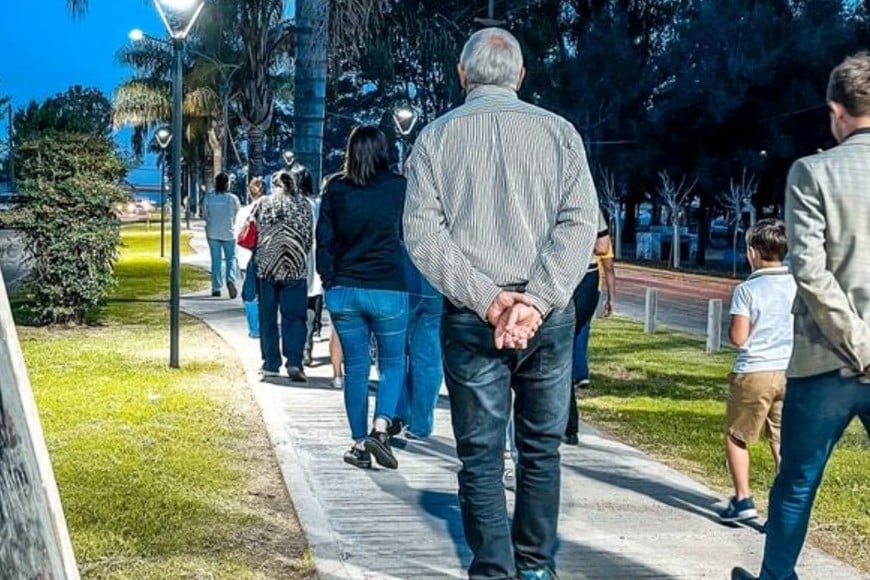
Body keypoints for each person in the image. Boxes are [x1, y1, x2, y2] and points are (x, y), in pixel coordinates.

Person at [404, 28, 599, 580]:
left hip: (472, 315)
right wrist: (533, 302)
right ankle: (535, 566)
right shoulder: (560, 134)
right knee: (540, 450)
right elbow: (580, 222)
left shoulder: (435, 139)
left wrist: (491, 302)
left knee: (481, 455)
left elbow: (423, 235)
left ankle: (493, 568)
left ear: (462, 75)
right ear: (520, 76)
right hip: (548, 317)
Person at [732, 52, 870, 580]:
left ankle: (776, 576)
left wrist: (859, 343)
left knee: (797, 482)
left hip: (824, 358)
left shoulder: (813, 172)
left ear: (836, 110)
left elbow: (809, 271)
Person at [317, 126, 409, 471]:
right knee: (393, 362)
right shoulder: (399, 187)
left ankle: (359, 443)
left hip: (344, 288)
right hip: (387, 285)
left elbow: (322, 240)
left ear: (350, 151)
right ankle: (381, 428)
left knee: (355, 368)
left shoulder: (336, 188)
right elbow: (409, 233)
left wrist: (330, 281)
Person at [718, 219, 796, 523]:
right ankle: (788, 505)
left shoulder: (747, 289)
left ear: (753, 252)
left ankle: (743, 499)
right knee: (781, 438)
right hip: (789, 369)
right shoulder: (796, 285)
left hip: (754, 371)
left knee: (737, 435)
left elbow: (739, 338)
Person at [253, 171, 312, 382]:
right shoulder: (304, 204)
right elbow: (308, 237)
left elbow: (255, 231)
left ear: (274, 185)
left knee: (267, 316)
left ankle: (271, 362)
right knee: (295, 316)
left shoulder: (264, 203)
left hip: (267, 266)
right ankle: (294, 361)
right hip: (295, 266)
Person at [563, 214, 611, 446]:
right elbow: (602, 246)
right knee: (563, 347)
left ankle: (566, 423)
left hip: (564, 275)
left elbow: (602, 247)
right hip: (586, 279)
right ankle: (568, 425)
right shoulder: (587, 198)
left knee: (558, 347)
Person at [391, 251, 444, 439]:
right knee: (429, 358)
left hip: (402, 279)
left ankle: (396, 413)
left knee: (394, 354)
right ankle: (421, 424)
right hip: (438, 281)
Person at [571, 234, 617, 391]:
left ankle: (573, 372)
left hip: (572, 286)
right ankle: (580, 373)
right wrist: (611, 298)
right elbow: (609, 269)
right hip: (591, 289)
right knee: (582, 328)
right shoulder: (601, 235)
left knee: (566, 329)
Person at [202, 172, 241, 298]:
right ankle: (230, 279)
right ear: (227, 184)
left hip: (213, 232)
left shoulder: (209, 197)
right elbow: (238, 215)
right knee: (231, 259)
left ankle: (216, 288)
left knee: (216, 261)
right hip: (230, 232)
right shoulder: (233, 199)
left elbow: (205, 214)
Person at [235, 177, 265, 338]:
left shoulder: (243, 212)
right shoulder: (270, 209)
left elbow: (237, 235)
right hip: (265, 257)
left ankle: (255, 328)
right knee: (264, 293)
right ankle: (263, 324)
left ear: (249, 192)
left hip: (245, 256)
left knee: (249, 294)